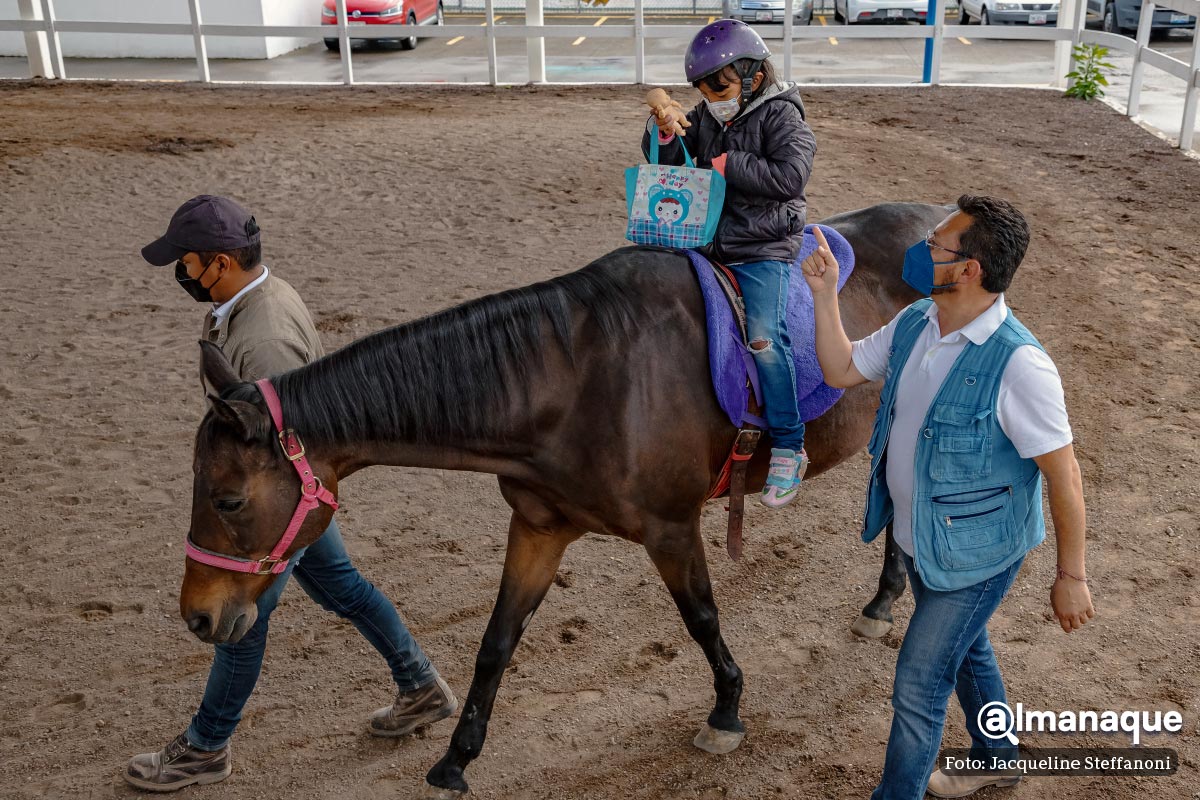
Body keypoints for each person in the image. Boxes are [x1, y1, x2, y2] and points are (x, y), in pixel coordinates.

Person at [126, 195, 457, 792]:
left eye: (186, 261)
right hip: (291, 493)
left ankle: (205, 749)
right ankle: (421, 686)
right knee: (347, 589)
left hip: (277, 504)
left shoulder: (266, 338)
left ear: (220, 262)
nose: (180, 273)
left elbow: (277, 448)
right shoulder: (250, 303)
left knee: (240, 623)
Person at [801, 196, 1095, 799]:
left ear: (968, 270)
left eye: (935, 244)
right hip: (920, 538)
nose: (920, 250)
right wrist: (827, 294)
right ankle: (999, 754)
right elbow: (839, 369)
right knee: (967, 647)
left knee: (919, 683)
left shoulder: (1021, 365)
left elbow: (1064, 475)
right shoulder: (917, 323)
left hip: (979, 555)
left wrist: (1072, 574)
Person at [642, 19, 817, 509]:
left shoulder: (783, 117)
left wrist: (727, 164)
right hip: (709, 239)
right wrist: (665, 134)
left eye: (720, 86)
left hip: (764, 246)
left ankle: (788, 443)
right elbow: (672, 163)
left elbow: (791, 176)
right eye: (703, 89)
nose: (711, 96)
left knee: (764, 337)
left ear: (753, 76)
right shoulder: (710, 115)